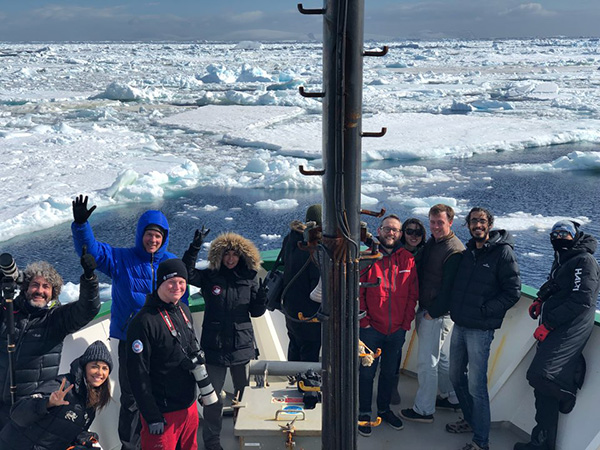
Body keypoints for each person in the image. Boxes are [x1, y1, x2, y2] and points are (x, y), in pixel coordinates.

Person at [71, 194, 182, 450]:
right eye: (148, 234)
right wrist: (81, 226)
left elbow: (181, 298)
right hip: (129, 339)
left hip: (163, 339)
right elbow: (93, 252)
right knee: (132, 396)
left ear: (164, 238)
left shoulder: (170, 263)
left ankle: (162, 441)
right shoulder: (122, 259)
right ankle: (129, 445)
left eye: (158, 235)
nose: (152, 240)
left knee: (162, 392)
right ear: (140, 234)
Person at [514, 220, 600, 450]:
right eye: (556, 233)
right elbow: (556, 284)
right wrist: (541, 298)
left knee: (539, 376)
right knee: (542, 391)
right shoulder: (564, 258)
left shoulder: (584, 260)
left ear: (575, 236)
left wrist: (549, 324)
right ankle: (541, 443)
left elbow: (582, 300)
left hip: (571, 328)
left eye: (565, 233)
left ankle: (567, 393)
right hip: (556, 326)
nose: (560, 237)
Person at [182, 230, 267, 450]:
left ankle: (243, 432)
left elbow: (256, 312)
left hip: (241, 347)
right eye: (226, 254)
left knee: (243, 394)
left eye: (235, 254)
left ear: (242, 256)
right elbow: (186, 272)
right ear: (219, 256)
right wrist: (194, 247)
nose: (230, 259)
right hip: (214, 348)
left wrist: (262, 297)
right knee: (212, 398)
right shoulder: (210, 277)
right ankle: (212, 441)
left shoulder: (250, 278)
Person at [446, 207, 521, 450]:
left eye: (481, 221)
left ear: (489, 224)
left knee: (476, 386)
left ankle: (481, 442)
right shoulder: (469, 252)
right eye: (473, 221)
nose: (477, 225)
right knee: (456, 376)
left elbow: (513, 292)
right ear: (467, 225)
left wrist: (485, 310)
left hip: (480, 329)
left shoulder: (503, 253)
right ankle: (470, 420)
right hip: (461, 324)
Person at [0, 252, 100, 428]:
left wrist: (89, 278)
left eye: (46, 286)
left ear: (53, 293)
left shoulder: (54, 320)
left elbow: (87, 309)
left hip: (30, 408)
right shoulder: (8, 312)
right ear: (25, 288)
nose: (40, 290)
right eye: (35, 285)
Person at [126, 259, 200, 450]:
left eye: (181, 282)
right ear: (160, 283)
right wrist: (151, 416)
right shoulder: (143, 322)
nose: (177, 286)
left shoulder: (183, 310)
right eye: (171, 282)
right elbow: (137, 374)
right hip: (163, 413)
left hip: (188, 405)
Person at [401, 206, 464, 422]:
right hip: (431, 310)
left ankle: (424, 410)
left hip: (437, 313)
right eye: (433, 222)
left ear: (450, 223)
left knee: (427, 363)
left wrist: (433, 313)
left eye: (440, 222)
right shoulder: (435, 243)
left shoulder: (453, 250)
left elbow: (450, 288)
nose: (436, 226)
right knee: (442, 358)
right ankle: (453, 397)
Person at [358, 214, 419, 437]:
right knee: (366, 373)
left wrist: (405, 323)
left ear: (400, 234)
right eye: (387, 229)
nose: (391, 233)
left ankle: (383, 410)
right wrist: (364, 322)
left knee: (389, 373)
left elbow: (412, 293)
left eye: (395, 230)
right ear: (379, 230)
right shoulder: (368, 257)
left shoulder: (407, 260)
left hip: (396, 330)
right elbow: (359, 291)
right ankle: (363, 412)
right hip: (371, 329)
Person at [0, 340, 112, 450]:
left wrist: (84, 437)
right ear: (84, 367)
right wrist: (48, 403)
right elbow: (17, 414)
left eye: (104, 368)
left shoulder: (90, 403)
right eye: (95, 366)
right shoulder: (62, 385)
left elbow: (68, 432)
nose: (100, 372)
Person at [391, 217, 426, 405]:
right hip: (389, 307)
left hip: (409, 306)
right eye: (410, 231)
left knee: (396, 350)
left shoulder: (425, 253)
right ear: (402, 233)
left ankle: (391, 387)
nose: (414, 236)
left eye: (418, 232)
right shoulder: (393, 251)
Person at [281, 204, 322, 362]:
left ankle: (292, 380)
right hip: (309, 313)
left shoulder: (291, 239)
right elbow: (316, 287)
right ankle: (306, 385)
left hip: (291, 308)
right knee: (309, 351)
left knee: (295, 344)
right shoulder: (314, 248)